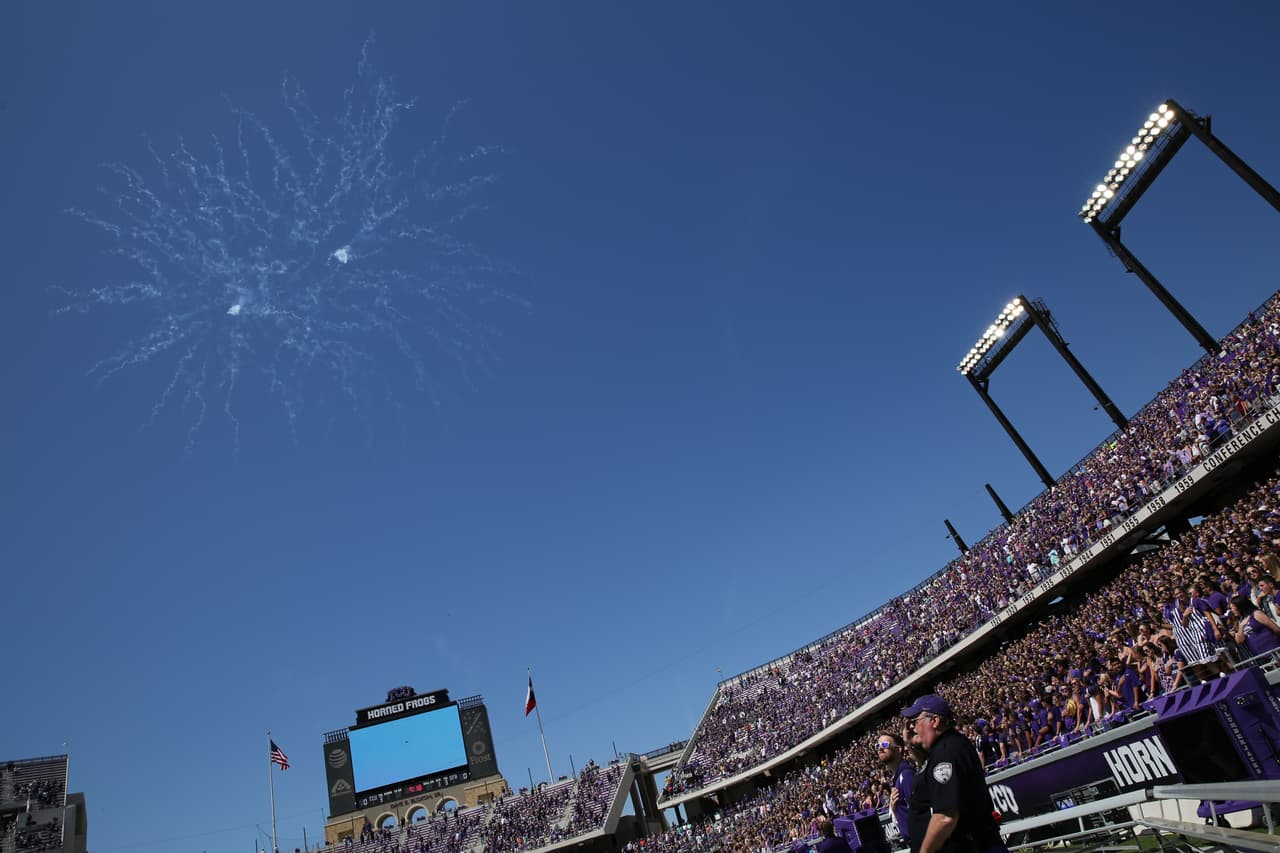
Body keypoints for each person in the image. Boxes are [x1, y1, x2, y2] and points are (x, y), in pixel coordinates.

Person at [902, 694, 1008, 853]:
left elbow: (946, 817)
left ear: (935, 721)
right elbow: (925, 769)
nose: (912, 728)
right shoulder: (946, 747)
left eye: (915, 722)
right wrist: (911, 744)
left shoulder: (946, 752)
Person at [878, 732, 916, 847]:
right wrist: (894, 809)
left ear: (899, 749)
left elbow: (920, 813)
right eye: (877, 746)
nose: (880, 748)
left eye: (884, 745)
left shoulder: (907, 775)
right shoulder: (897, 778)